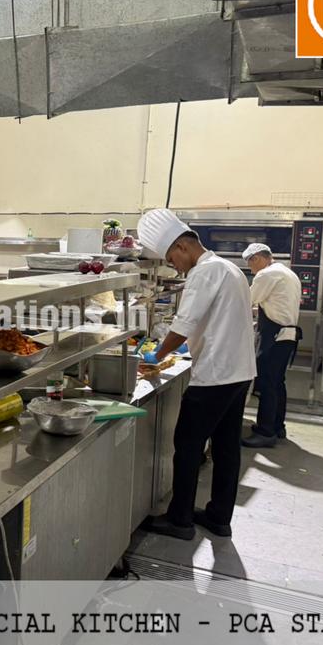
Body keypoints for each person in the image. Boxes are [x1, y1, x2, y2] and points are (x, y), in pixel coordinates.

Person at [136, 208, 256, 540]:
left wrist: (153, 355)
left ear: (184, 247)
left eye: (172, 257)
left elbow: (183, 326)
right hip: (240, 372)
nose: (173, 264)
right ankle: (219, 517)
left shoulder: (204, 272)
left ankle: (180, 520)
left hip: (216, 375)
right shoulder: (230, 267)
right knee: (227, 448)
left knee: (187, 445)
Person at [241, 242, 302, 448]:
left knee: (266, 384)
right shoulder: (287, 272)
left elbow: (246, 300)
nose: (251, 269)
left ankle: (265, 432)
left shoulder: (266, 275)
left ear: (257, 258)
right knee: (277, 383)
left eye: (250, 264)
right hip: (288, 335)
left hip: (276, 336)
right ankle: (277, 427)